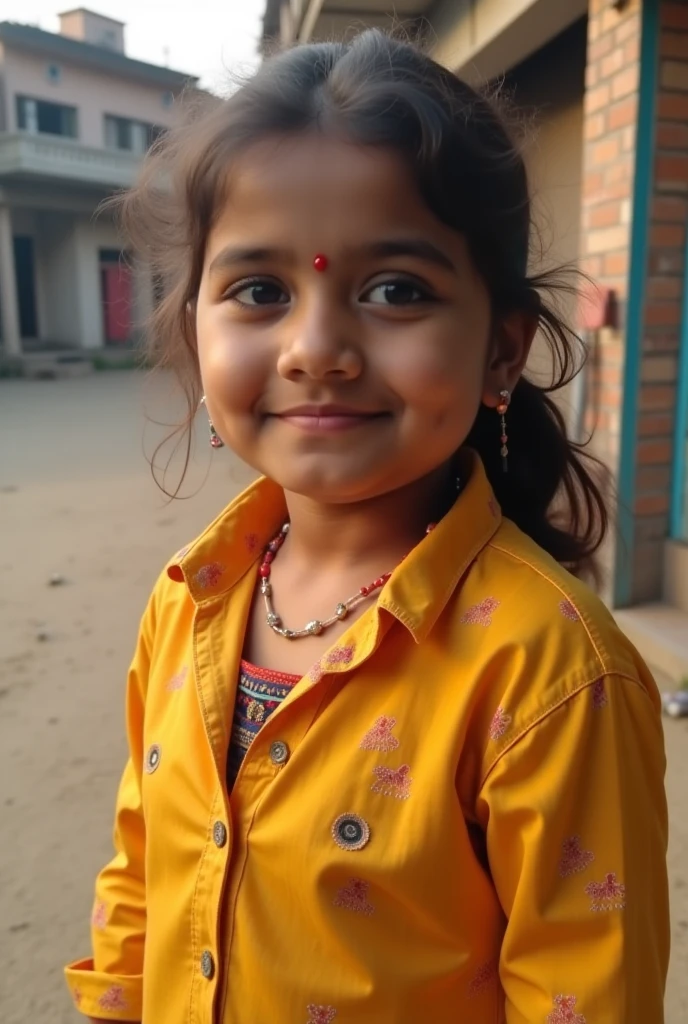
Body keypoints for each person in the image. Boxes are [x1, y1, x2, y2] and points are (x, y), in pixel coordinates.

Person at [64, 29, 669, 1024]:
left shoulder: (550, 676)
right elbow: (143, 869)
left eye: (396, 290)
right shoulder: (189, 601)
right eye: (260, 290)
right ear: (193, 332)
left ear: (501, 350)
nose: (315, 349)